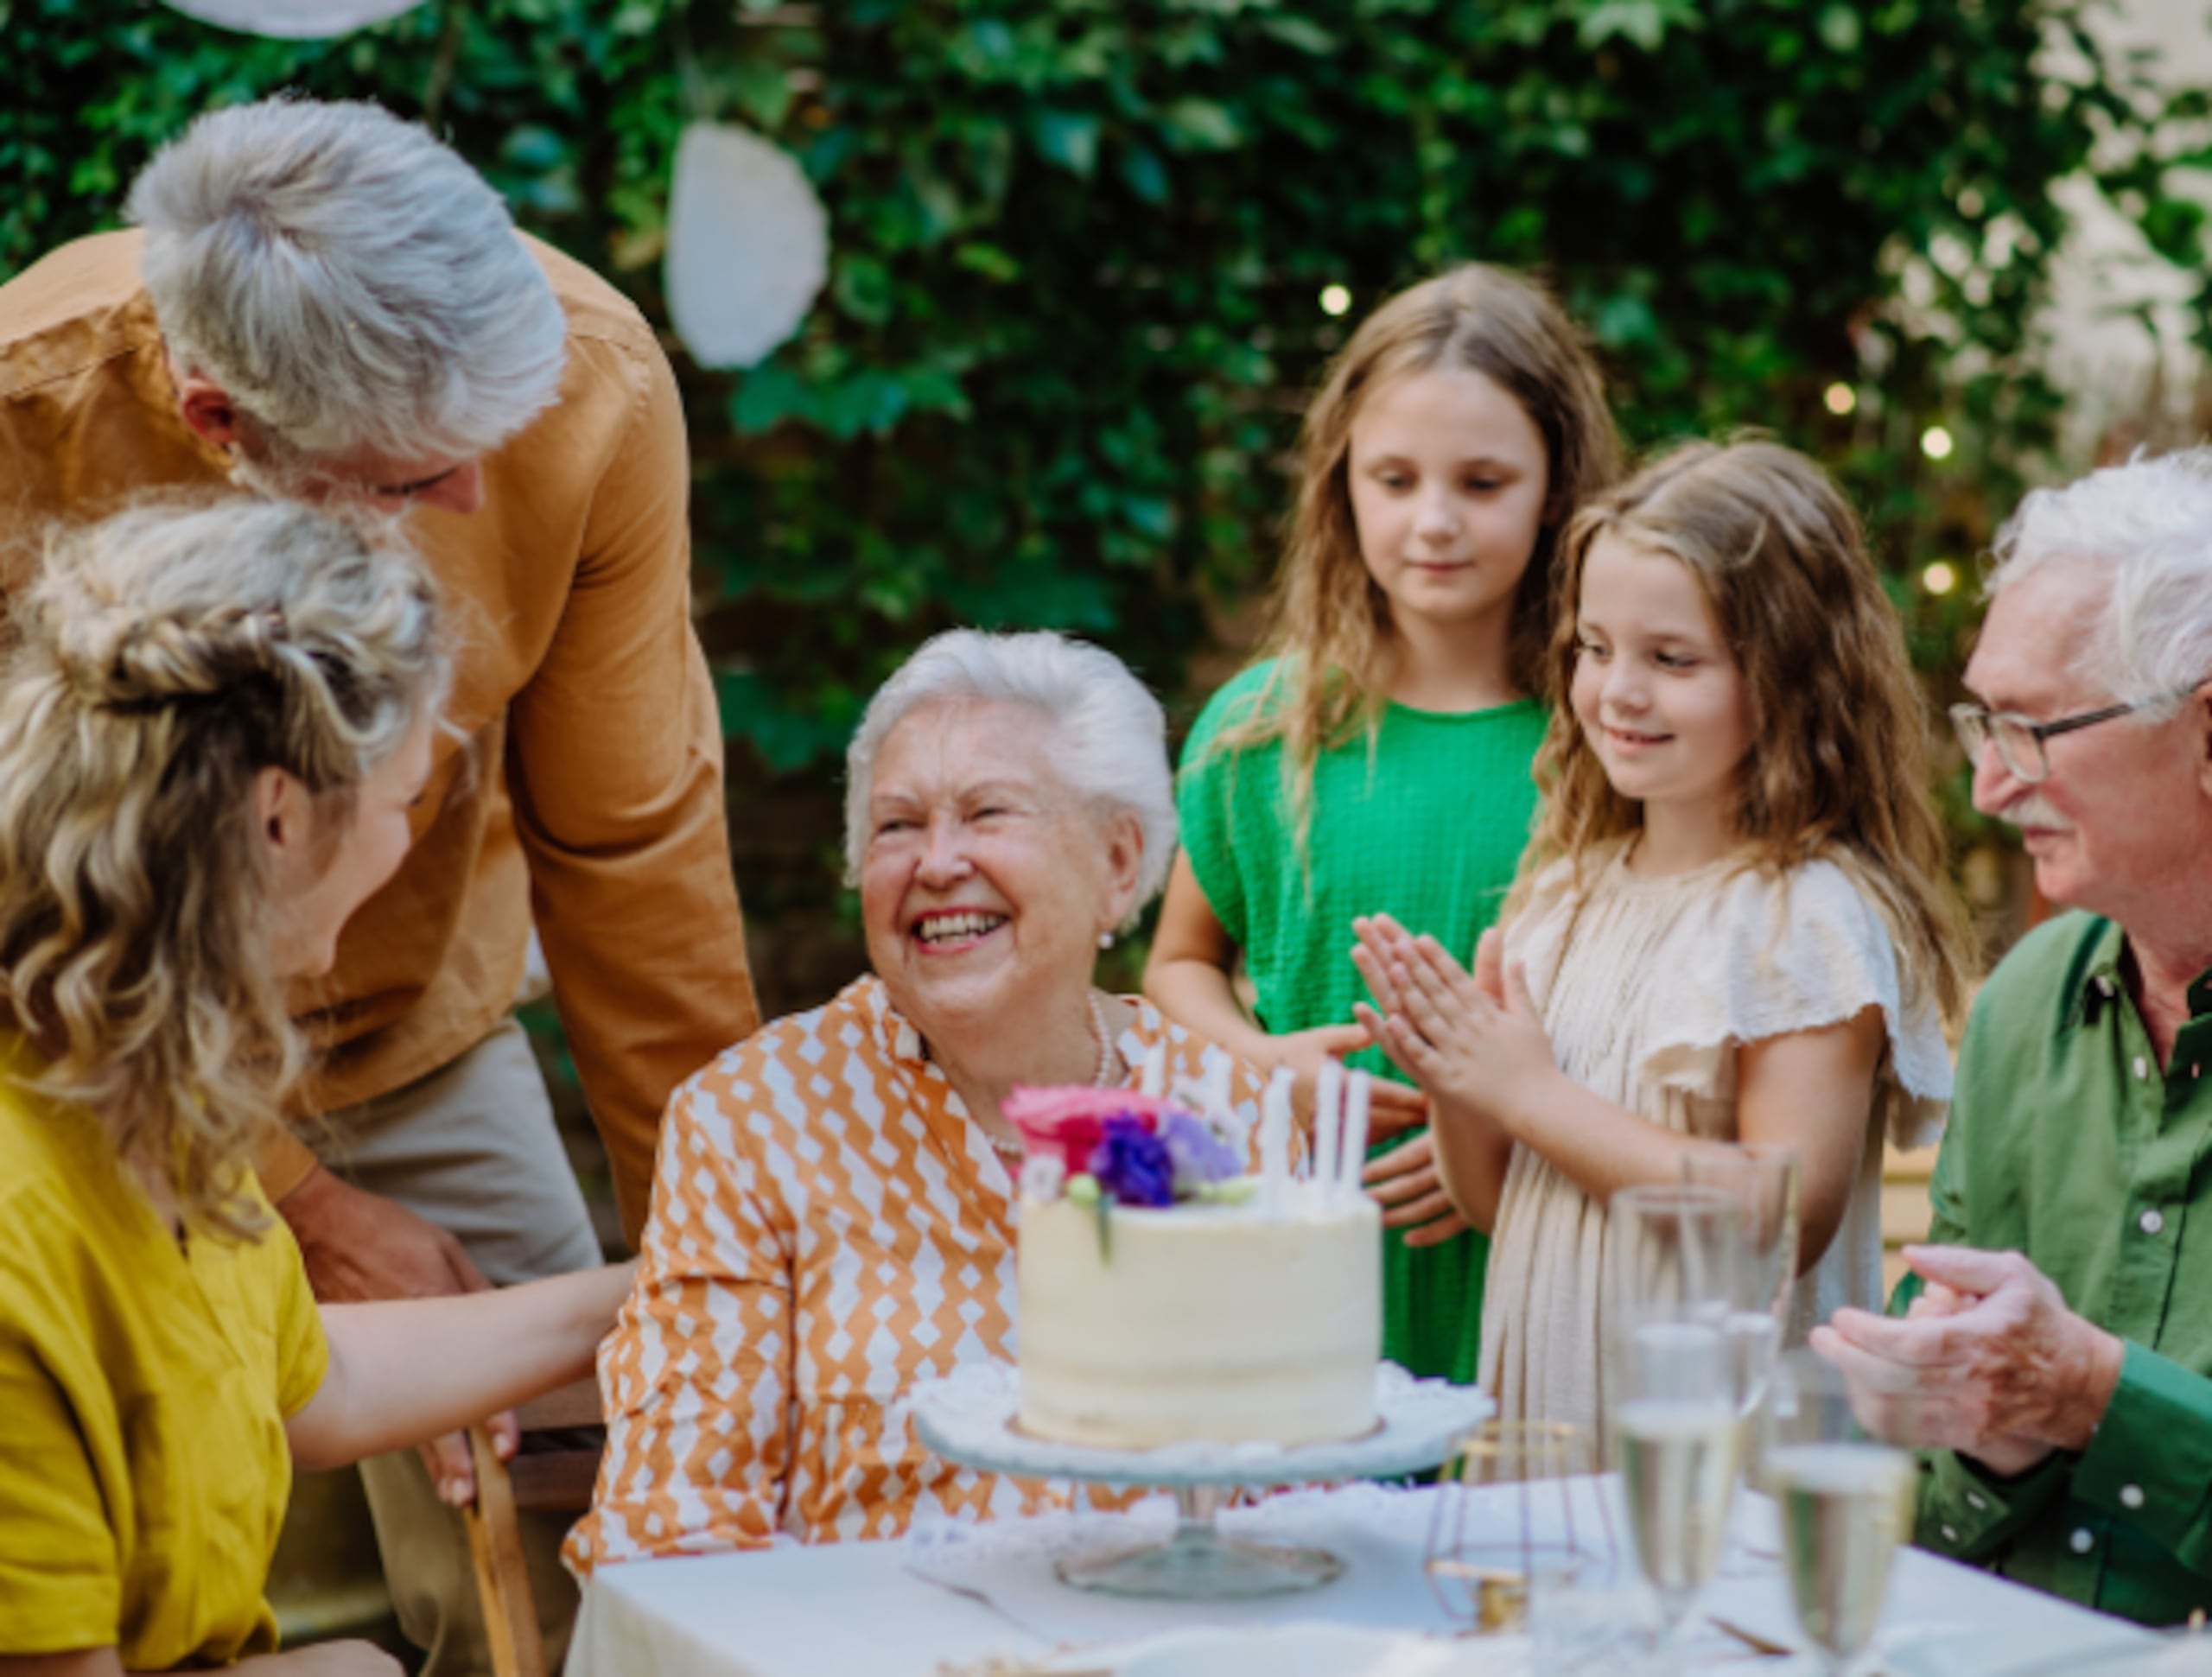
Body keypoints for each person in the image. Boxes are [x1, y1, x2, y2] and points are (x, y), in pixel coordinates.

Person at [0, 98, 757, 1667]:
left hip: (423, 1036)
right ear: (221, 422)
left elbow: (636, 849)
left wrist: (722, 1233)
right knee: (238, 1557)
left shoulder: (593, 384)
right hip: (73, 1041)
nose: (479, 500)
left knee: (570, 1536)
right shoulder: (23, 412)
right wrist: (294, 1194)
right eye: (415, 477)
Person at [0, 499, 633, 1676]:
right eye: (404, 801)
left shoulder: (134, 1090)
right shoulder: (19, 1228)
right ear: (279, 816)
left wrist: (651, 1290)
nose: (409, 844)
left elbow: (319, 1378)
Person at [566, 632, 1267, 1567]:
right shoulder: (755, 1122)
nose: (936, 863)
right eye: (897, 826)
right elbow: (680, 1517)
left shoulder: (1226, 1111)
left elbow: (1292, 1491)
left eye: (986, 813)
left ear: (1115, 861)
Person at [1353, 440, 1971, 1443]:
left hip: (1719, 1474)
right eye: (1594, 648)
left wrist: (1529, 1092)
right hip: (1554, 1451)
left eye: (1670, 659)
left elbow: (1777, 1221)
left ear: (1789, 677)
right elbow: (1497, 1204)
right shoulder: (1566, 894)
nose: (1617, 692)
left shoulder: (1803, 919)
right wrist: (1460, 1078)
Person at [1143, 264, 1621, 1389]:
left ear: (1557, 487)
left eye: (1484, 481)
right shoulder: (1263, 729)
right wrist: (1259, 1064)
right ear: (1339, 483)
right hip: (1308, 1245)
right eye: (1395, 479)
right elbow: (1178, 964)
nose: (1434, 521)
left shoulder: (1611, 731)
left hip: (1535, 1256)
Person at [1815, 449, 2212, 1626]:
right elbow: (1930, 1500)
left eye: (2032, 729)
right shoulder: (2027, 998)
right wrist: (1978, 1417)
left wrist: (2095, 1398)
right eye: (1983, 721)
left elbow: (2083, 1398)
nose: (1986, 785)